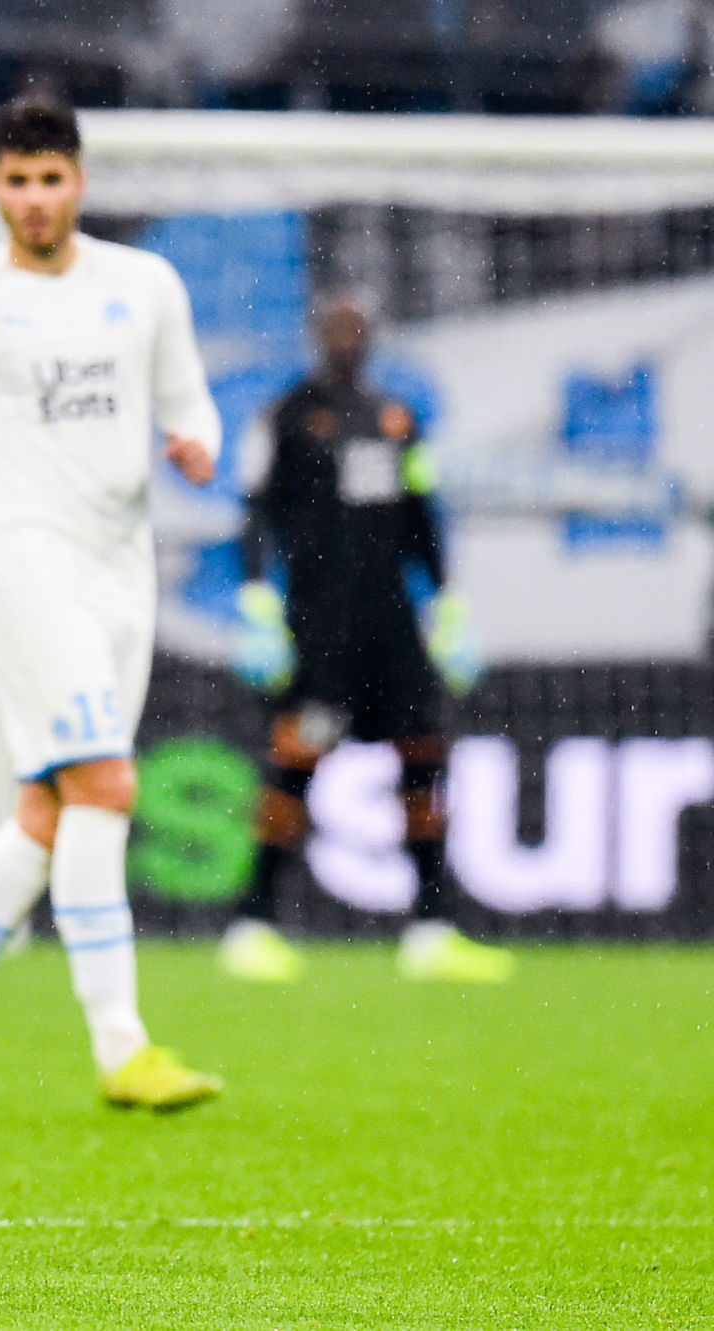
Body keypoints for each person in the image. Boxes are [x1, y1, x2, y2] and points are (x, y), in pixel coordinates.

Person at [0, 96, 225, 1128]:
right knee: (102, 783)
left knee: (47, 813)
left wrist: (195, 441)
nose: (31, 198)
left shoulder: (142, 285)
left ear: (77, 181)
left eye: (47, 178)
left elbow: (188, 398)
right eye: (13, 181)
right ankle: (122, 1044)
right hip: (25, 569)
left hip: (122, 574)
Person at [220, 293, 515, 985]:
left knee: (422, 753)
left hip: (392, 621)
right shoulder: (287, 416)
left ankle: (431, 928)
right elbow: (254, 514)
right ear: (317, 335)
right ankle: (252, 922)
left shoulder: (397, 419)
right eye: (335, 325)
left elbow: (421, 515)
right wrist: (259, 596)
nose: (347, 336)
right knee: (299, 753)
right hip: (322, 621)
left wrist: (446, 604)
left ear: (372, 337)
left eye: (357, 326)